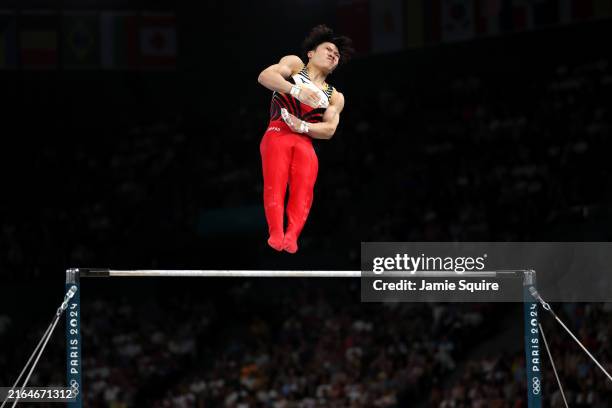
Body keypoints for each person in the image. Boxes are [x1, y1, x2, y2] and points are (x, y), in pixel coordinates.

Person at [257, 25, 353, 253]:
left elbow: (329, 129)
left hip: (304, 141)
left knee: (303, 189)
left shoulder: (335, 96)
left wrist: (304, 126)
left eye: (337, 55)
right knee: (276, 182)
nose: (333, 55)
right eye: (328, 49)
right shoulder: (293, 65)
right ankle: (276, 232)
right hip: (278, 133)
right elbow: (265, 76)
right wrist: (296, 90)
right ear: (310, 53)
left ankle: (291, 236)